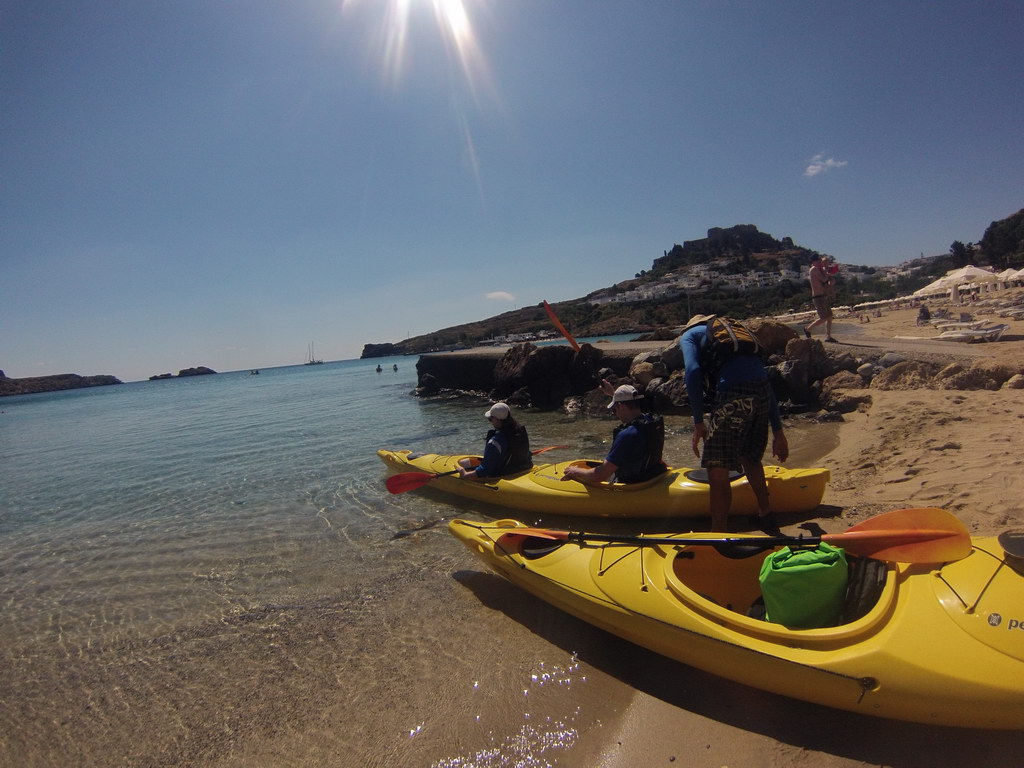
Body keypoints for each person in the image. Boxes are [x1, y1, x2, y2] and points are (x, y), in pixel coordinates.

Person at [680, 315, 789, 533]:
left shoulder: (689, 336)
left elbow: (692, 371)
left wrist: (698, 421)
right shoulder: (737, 332)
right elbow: (765, 383)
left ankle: (717, 534)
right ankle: (765, 514)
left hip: (732, 392)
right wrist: (778, 432)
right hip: (761, 392)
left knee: (717, 467)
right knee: (750, 458)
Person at [561, 382, 667, 485]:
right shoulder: (650, 422)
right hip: (650, 476)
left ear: (621, 406)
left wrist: (574, 471)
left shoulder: (627, 435)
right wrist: (613, 394)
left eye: (614, 410)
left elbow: (598, 475)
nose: (615, 414)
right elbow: (626, 401)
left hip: (633, 485)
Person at [457, 402, 532, 480]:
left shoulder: (495, 442)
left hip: (501, 474)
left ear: (497, 420)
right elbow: (525, 453)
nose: (490, 421)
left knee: (465, 467)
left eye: (490, 419)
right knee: (466, 462)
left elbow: (484, 470)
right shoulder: (518, 433)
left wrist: (464, 473)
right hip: (520, 469)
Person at [803, 254, 836, 342]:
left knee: (829, 316)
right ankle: (807, 328)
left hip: (822, 296)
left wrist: (830, 282)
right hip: (818, 297)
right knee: (824, 317)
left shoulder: (819, 269)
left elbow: (825, 283)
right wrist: (827, 273)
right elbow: (824, 279)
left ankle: (828, 336)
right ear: (814, 261)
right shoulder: (814, 269)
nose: (820, 262)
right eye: (818, 261)